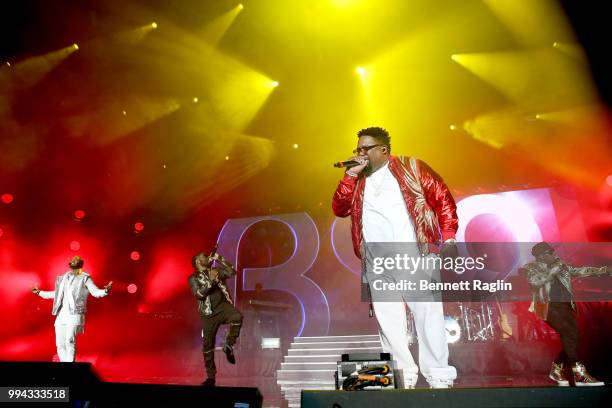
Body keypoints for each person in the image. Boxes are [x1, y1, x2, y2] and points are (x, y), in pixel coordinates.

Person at [331, 126, 459, 388]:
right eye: (357, 149)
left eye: (365, 149)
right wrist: (349, 176)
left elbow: (442, 197)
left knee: (428, 315)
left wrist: (449, 236)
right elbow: (339, 209)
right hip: (376, 260)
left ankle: (439, 377)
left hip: (414, 253)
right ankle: (403, 376)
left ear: (383, 150)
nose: (359, 154)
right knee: (388, 321)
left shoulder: (412, 167)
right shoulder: (357, 180)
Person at [520, 242, 609, 386]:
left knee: (573, 337)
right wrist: (552, 272)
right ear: (542, 256)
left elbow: (582, 271)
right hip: (547, 306)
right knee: (569, 334)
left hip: (565, 307)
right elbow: (535, 282)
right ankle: (579, 374)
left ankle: (557, 369)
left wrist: (605, 270)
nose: (554, 255)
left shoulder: (561, 266)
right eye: (551, 252)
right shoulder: (531, 268)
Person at [32, 255, 112, 362]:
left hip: (75, 314)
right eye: (72, 262)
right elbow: (56, 294)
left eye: (76, 262)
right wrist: (39, 292)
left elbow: (95, 292)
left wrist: (105, 291)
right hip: (62, 315)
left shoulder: (85, 278)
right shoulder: (64, 278)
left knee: (70, 341)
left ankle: (70, 367)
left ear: (80, 265)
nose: (74, 264)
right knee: (60, 344)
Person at [188, 250, 243, 387]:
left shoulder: (216, 270)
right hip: (208, 314)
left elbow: (232, 272)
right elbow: (199, 294)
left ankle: (228, 345)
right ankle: (211, 377)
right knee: (208, 344)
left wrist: (219, 258)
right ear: (197, 262)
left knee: (237, 316)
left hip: (223, 307)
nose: (206, 257)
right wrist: (211, 281)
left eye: (206, 256)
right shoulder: (193, 278)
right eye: (203, 257)